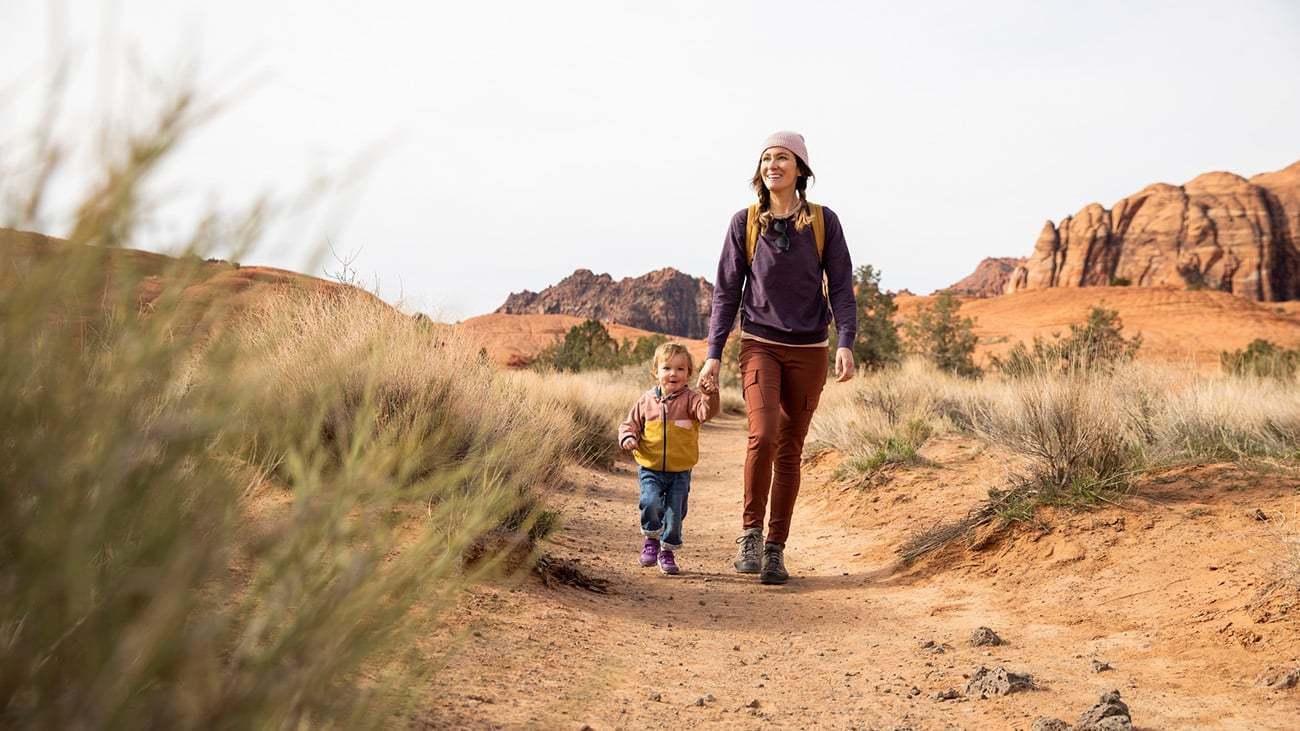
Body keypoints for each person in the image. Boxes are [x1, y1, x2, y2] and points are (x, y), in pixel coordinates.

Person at [698, 131, 857, 585]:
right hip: (760, 344)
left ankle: (774, 549)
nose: (773, 164)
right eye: (766, 158)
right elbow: (727, 292)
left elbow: (843, 287)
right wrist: (714, 354)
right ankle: (749, 534)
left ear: (800, 169)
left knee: (790, 450)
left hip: (810, 350)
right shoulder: (744, 222)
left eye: (782, 157)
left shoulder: (825, 222)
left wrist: (845, 339)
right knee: (763, 434)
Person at [618, 342, 721, 575]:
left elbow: (707, 413)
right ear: (656, 371)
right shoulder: (646, 401)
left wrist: (710, 395)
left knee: (675, 514)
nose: (673, 373)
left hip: (680, 471)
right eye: (666, 368)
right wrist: (627, 438)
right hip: (650, 467)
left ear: (689, 374)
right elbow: (629, 424)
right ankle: (652, 540)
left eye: (680, 369)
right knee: (650, 502)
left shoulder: (692, 400)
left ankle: (667, 551)